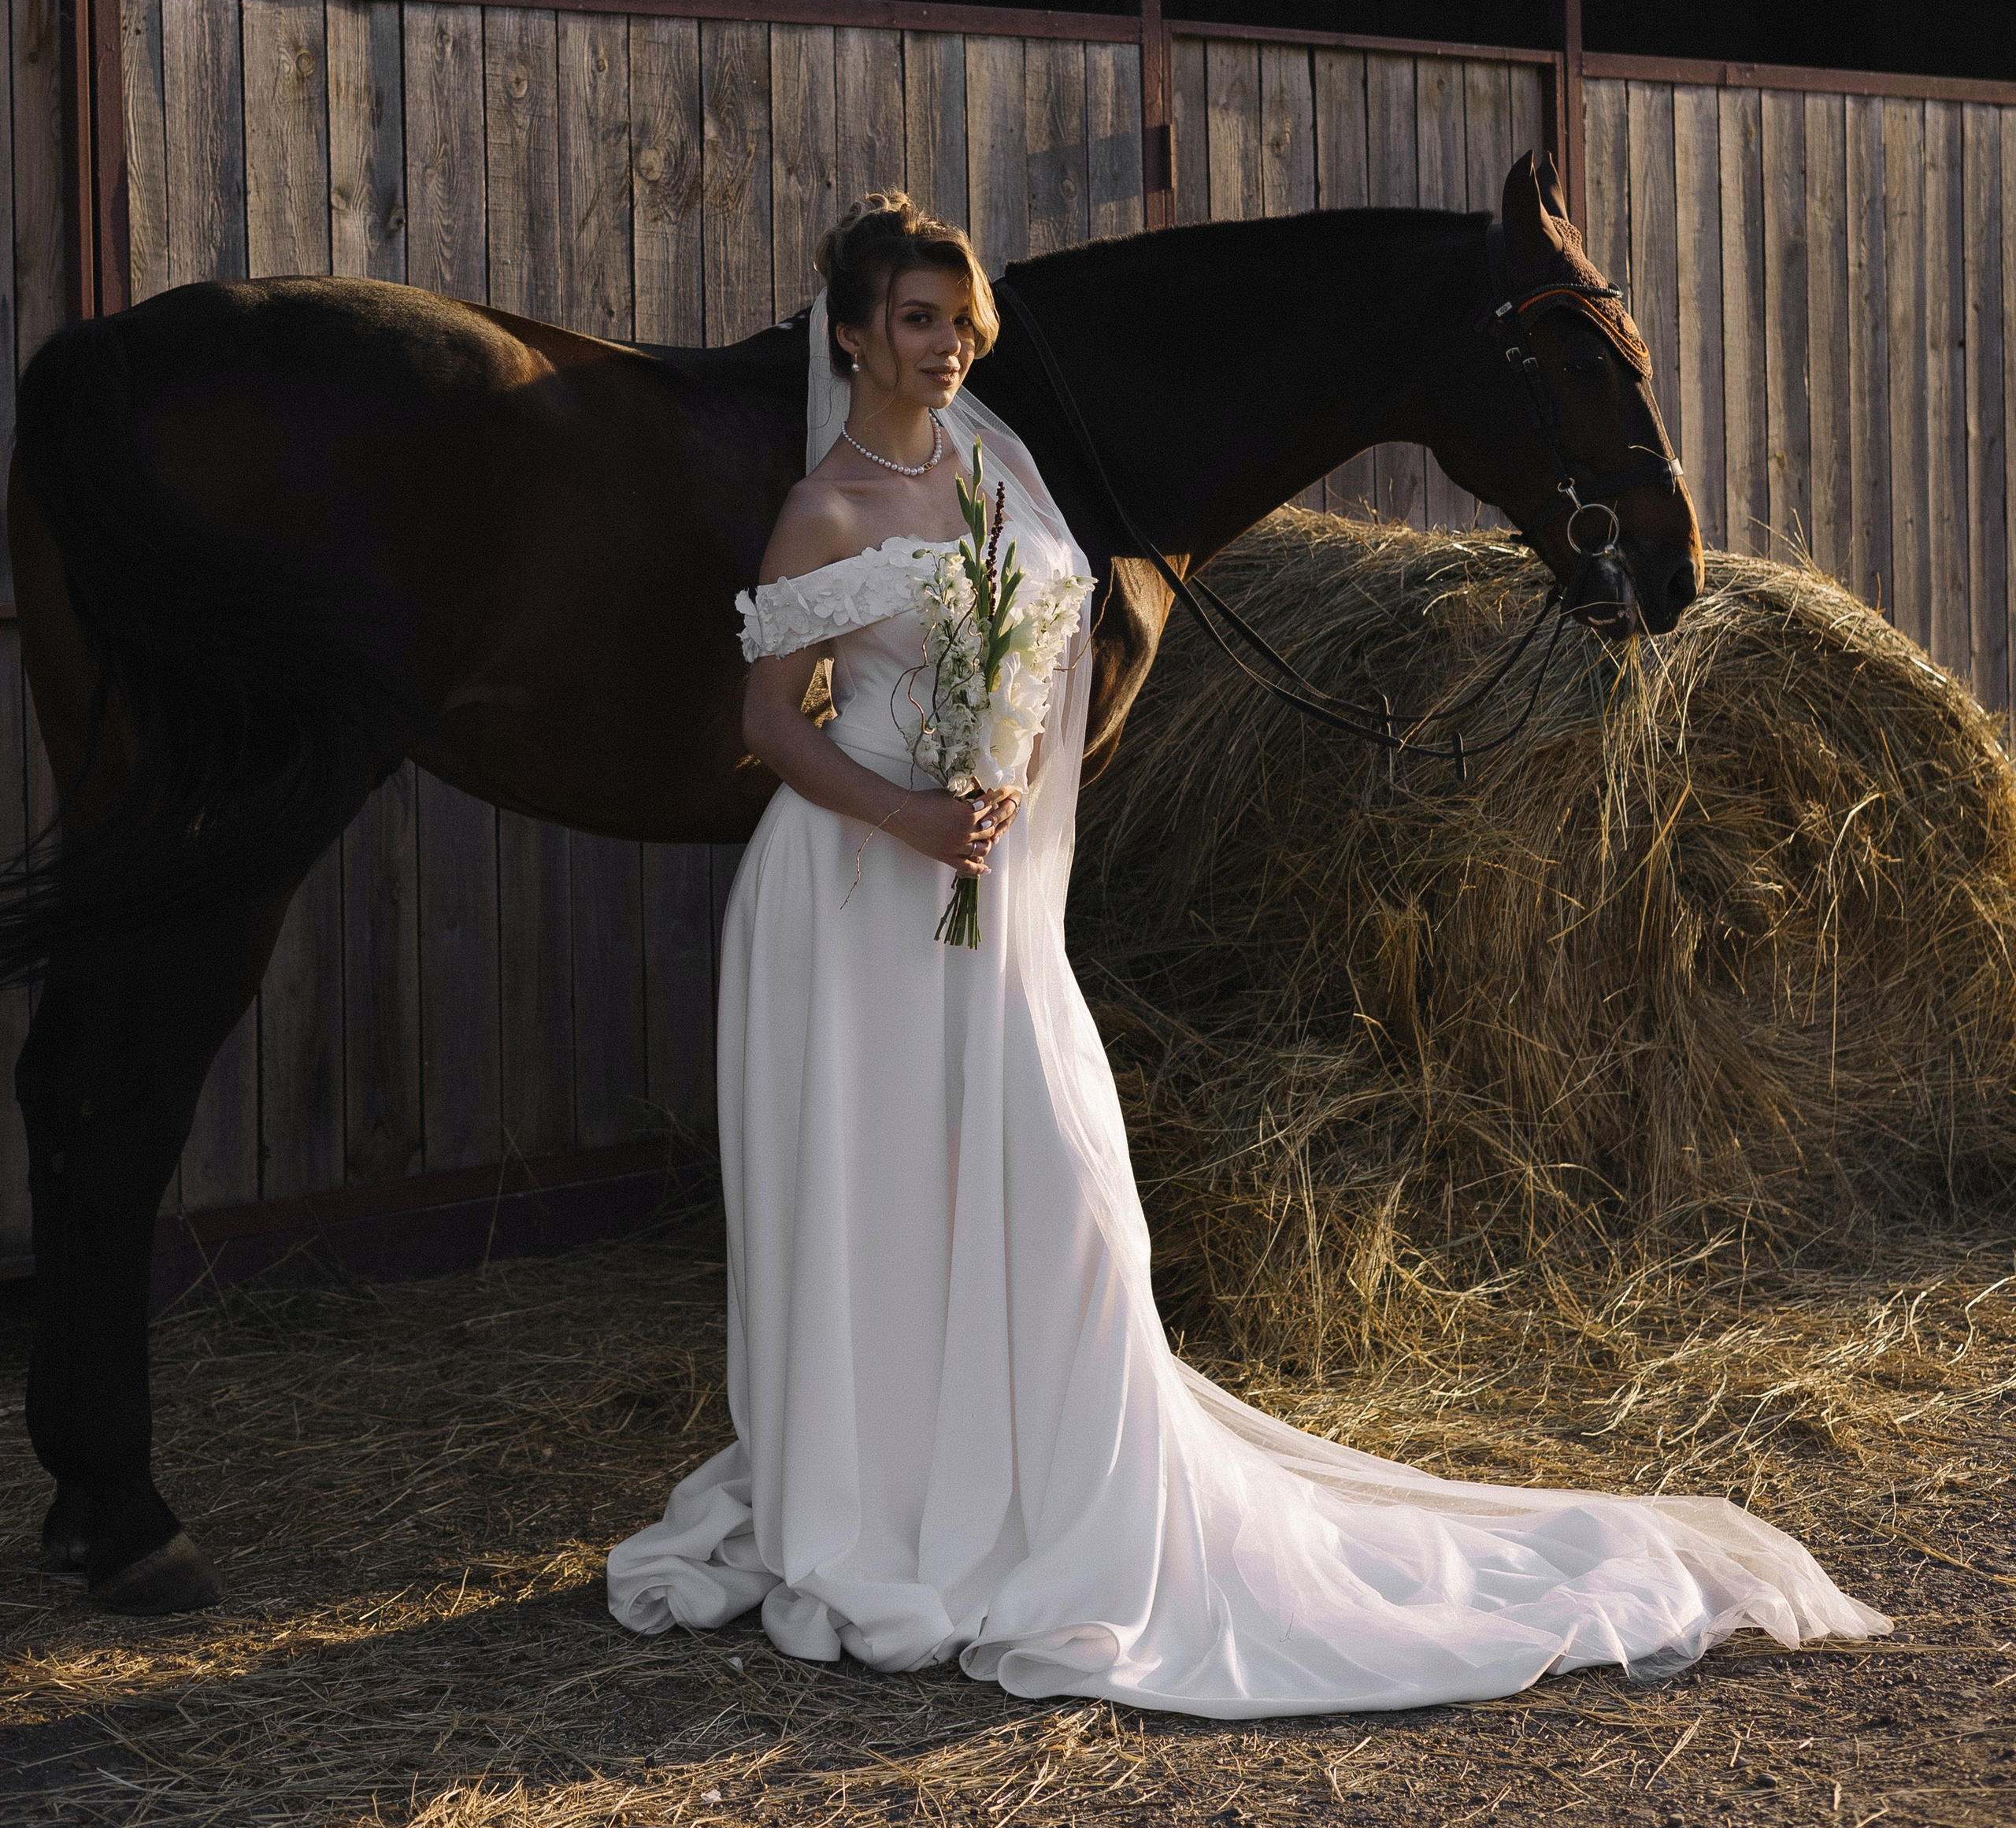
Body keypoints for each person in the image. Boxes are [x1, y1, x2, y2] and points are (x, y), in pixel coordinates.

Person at [606, 191, 1888, 1715]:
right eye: (914, 321)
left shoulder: (999, 469)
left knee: (1056, 1190)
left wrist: (1000, 774)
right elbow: (770, 724)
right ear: (854, 337)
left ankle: (1030, 1474)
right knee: (871, 1191)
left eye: (959, 320)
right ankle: (875, 1494)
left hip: (985, 900)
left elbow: (1048, 645)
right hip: (852, 895)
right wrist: (910, 810)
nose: (944, 348)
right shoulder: (825, 511)